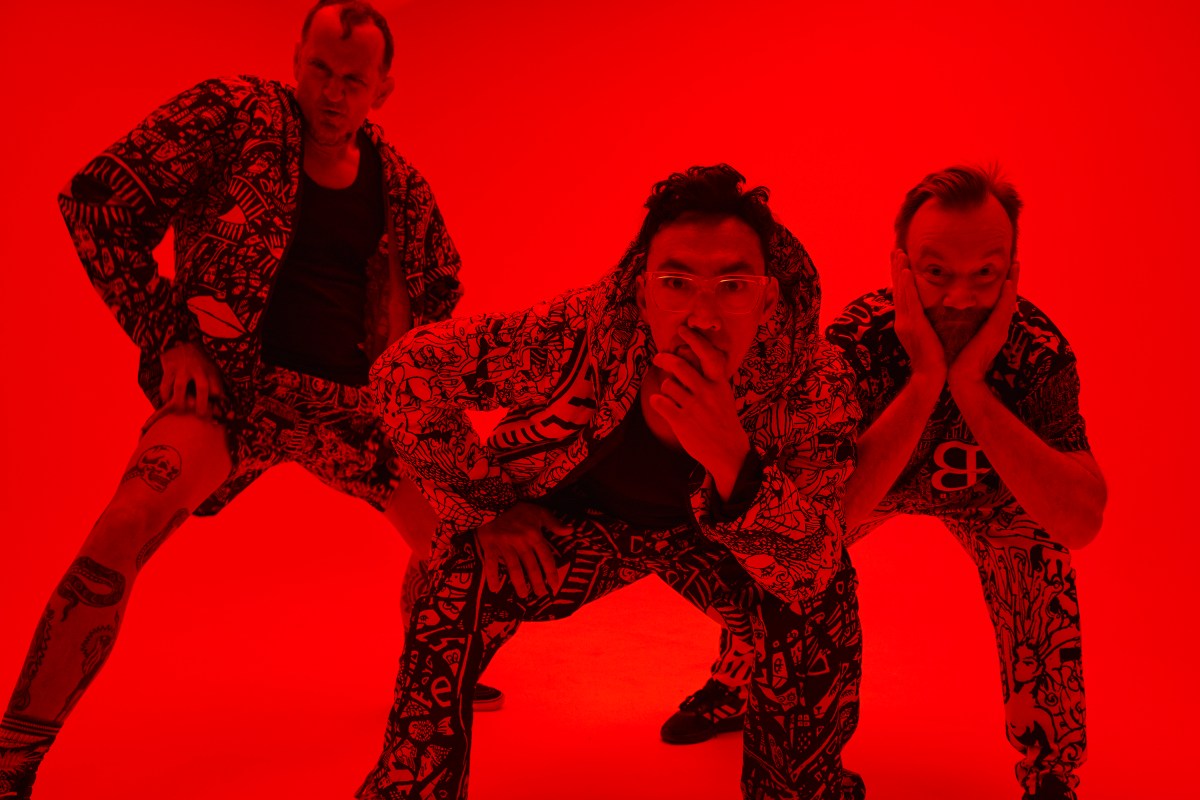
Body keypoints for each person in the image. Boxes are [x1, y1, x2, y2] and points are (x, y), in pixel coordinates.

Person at [0, 3, 493, 796]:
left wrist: (411, 402)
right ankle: (13, 757)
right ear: (296, 58)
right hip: (231, 393)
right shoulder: (231, 114)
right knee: (123, 525)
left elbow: (442, 291)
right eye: (319, 70)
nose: (331, 92)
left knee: (463, 547)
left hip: (349, 411)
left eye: (353, 80)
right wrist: (169, 335)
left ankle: (431, 660)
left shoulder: (402, 187)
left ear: (384, 89)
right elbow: (95, 203)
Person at [357, 164, 865, 800]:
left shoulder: (813, 384)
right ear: (643, 288)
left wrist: (733, 456)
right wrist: (485, 508)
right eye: (677, 282)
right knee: (454, 579)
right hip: (581, 528)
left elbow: (814, 564)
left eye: (732, 285)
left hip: (717, 542)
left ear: (767, 298)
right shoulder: (582, 332)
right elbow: (406, 372)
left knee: (822, 601)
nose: (702, 316)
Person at [663, 165, 1105, 800]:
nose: (958, 297)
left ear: (1011, 268)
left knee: (1043, 566)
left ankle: (1051, 771)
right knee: (781, 539)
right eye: (935, 272)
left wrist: (973, 389)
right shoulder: (865, 338)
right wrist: (926, 380)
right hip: (877, 481)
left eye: (985, 273)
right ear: (901, 266)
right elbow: (819, 525)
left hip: (995, 503)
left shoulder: (1037, 350)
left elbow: (1081, 521)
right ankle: (736, 680)